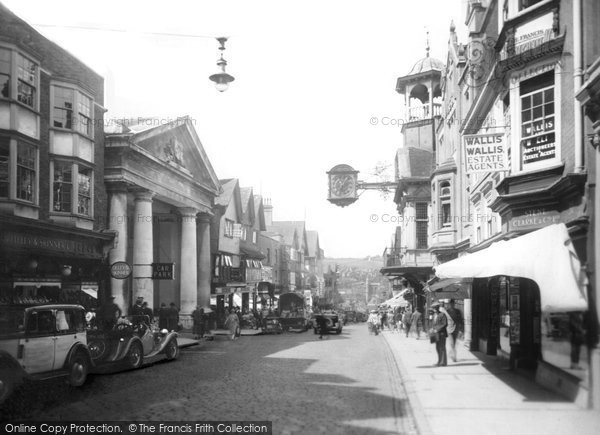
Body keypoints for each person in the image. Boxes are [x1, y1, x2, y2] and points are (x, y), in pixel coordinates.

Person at [430, 302, 448, 367]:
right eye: (433, 308)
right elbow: (433, 323)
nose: (434, 309)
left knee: (442, 348)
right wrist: (432, 329)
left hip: (442, 334)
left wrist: (437, 329)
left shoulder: (442, 315)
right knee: (437, 348)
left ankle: (443, 363)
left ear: (438, 308)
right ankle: (439, 361)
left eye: (435, 308)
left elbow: (444, 324)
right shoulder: (434, 315)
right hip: (436, 334)